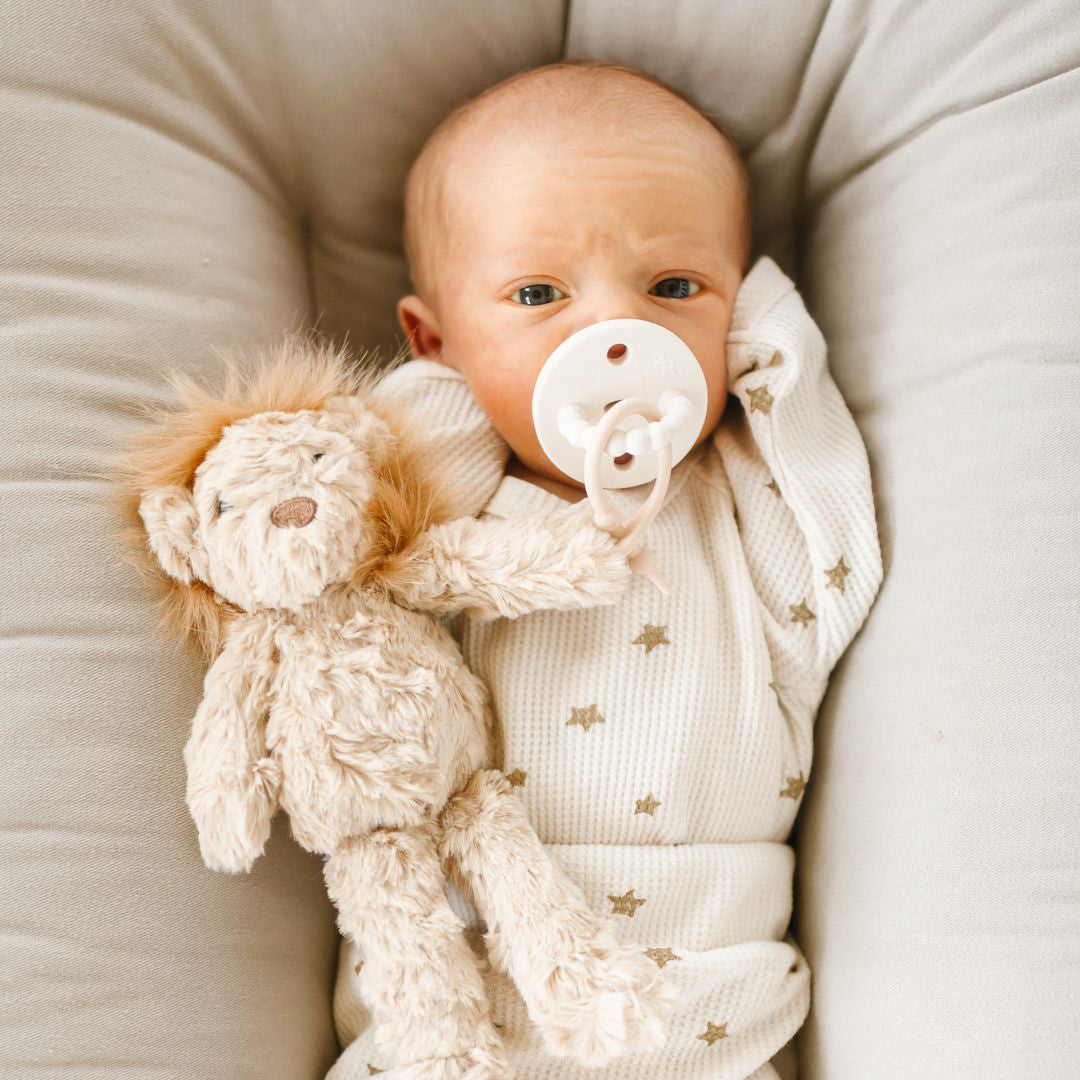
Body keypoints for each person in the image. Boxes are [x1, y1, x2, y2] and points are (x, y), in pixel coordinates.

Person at [328, 59, 883, 1080]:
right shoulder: (448, 527)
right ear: (433, 341)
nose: (613, 334)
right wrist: (447, 404)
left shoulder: (734, 505)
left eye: (676, 288)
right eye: (538, 294)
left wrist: (772, 353)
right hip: (460, 1013)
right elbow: (349, 584)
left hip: (704, 1020)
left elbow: (839, 558)